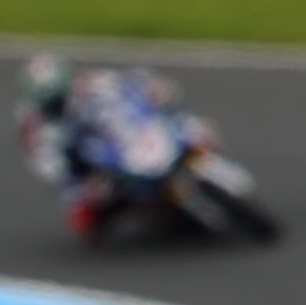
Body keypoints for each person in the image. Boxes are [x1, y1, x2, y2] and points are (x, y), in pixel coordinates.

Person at [15, 52, 207, 243]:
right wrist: (82, 188)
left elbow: (131, 82)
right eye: (51, 102)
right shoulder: (35, 128)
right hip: (86, 165)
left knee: (192, 129)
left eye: (60, 97)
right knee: (87, 224)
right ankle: (153, 214)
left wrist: (154, 89)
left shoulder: (90, 82)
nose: (58, 104)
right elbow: (52, 170)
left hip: (119, 139)